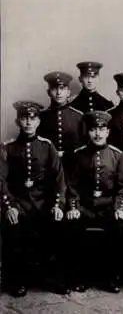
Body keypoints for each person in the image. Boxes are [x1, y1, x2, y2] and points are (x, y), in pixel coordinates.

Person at [1, 101, 68, 297]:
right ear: (17, 121)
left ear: (39, 121)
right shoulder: (8, 147)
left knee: (58, 226)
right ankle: (17, 281)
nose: (28, 122)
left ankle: (53, 279)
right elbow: (1, 181)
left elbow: (59, 179)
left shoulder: (47, 146)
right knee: (12, 228)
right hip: (19, 203)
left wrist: (58, 205)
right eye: (24, 118)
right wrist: (8, 206)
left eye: (32, 118)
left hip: (44, 203)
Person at [65, 111, 123, 294]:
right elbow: (72, 186)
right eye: (93, 129)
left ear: (108, 132)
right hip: (85, 206)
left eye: (102, 129)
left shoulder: (118, 156)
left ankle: (112, 277)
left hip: (108, 206)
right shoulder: (78, 155)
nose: (98, 134)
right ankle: (81, 277)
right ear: (88, 132)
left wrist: (119, 208)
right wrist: (74, 207)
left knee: (120, 227)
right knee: (72, 226)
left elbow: (122, 188)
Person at [38, 71, 83, 168]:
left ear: (68, 92)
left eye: (62, 88)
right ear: (49, 92)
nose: (58, 92)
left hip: (73, 166)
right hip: (48, 166)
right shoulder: (41, 117)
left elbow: (84, 146)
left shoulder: (79, 116)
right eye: (54, 88)